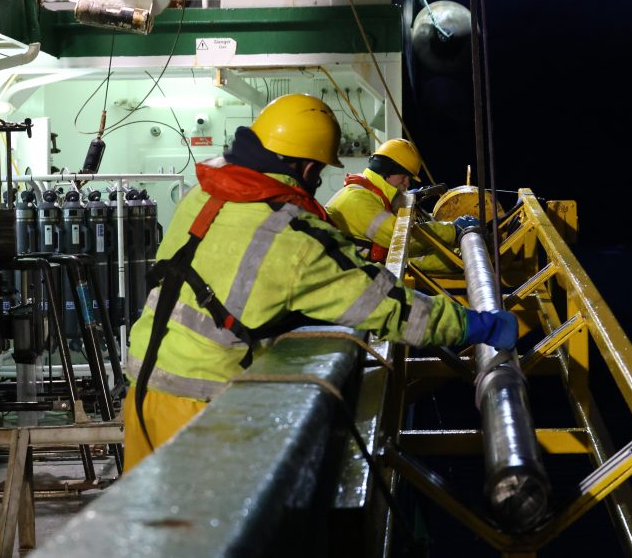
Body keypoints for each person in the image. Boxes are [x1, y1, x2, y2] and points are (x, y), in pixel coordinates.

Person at [122, 94, 517, 471]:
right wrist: (472, 324)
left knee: (144, 531)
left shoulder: (201, 194)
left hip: (141, 390)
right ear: (309, 169)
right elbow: (387, 307)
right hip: (202, 406)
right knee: (206, 535)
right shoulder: (291, 234)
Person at [325, 138, 478, 271]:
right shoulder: (357, 199)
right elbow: (403, 239)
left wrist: (461, 255)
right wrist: (453, 230)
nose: (407, 183)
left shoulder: (370, 194)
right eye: (404, 176)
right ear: (386, 171)